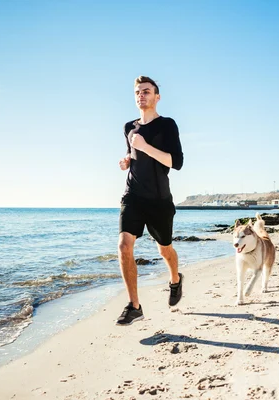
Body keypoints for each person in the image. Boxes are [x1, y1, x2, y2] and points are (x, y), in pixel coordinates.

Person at [116, 76, 184, 326]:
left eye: (146, 91)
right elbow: (131, 153)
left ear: (157, 97)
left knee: (164, 249)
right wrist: (126, 160)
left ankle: (175, 280)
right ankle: (135, 306)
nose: (141, 95)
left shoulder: (167, 125)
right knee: (124, 246)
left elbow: (175, 162)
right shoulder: (128, 127)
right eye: (137, 92)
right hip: (132, 196)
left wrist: (144, 147)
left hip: (159, 200)